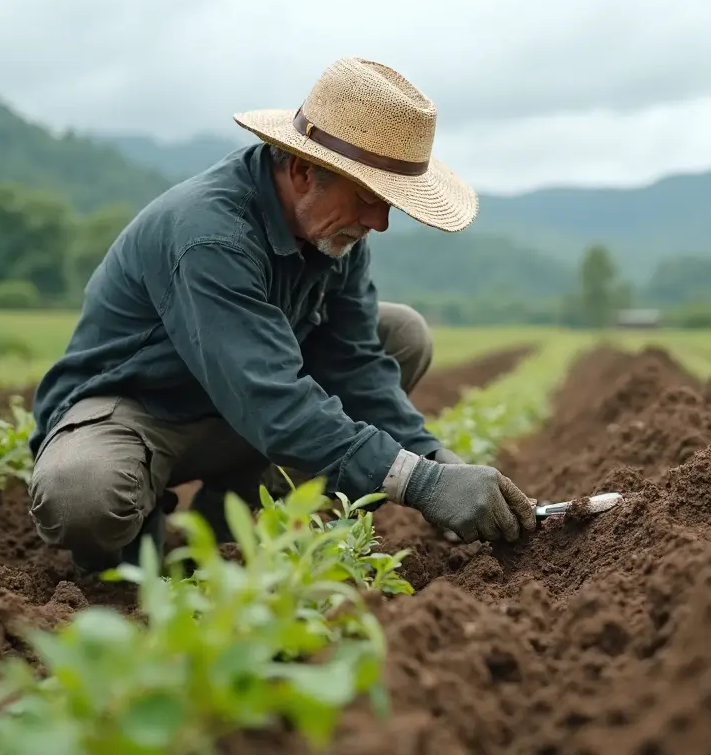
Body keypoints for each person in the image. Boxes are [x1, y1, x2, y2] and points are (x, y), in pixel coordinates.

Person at [27, 56, 537, 575]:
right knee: (83, 493)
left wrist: (433, 460)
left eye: (390, 204)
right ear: (300, 170)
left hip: (236, 413)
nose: (379, 222)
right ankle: (128, 545)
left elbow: (357, 366)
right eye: (367, 197)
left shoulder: (334, 232)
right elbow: (267, 396)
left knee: (401, 334)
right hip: (141, 407)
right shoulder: (211, 235)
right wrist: (416, 483)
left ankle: (232, 512)